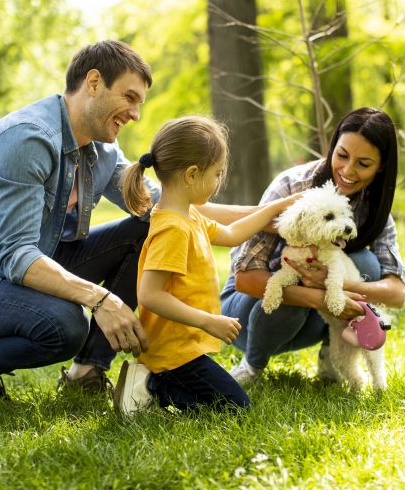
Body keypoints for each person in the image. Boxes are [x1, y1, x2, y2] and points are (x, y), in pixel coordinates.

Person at [0, 41, 250, 400]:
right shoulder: (28, 140)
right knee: (66, 325)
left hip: (30, 266)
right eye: (129, 98)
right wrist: (101, 299)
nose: (135, 114)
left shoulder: (102, 151)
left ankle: (87, 371)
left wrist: (274, 213)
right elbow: (16, 255)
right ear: (94, 82)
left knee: (144, 228)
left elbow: (171, 206)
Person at [112, 116, 299, 414]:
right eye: (217, 174)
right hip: (174, 353)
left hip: (186, 348)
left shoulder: (189, 216)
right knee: (236, 408)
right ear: (191, 175)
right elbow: (150, 295)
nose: (218, 182)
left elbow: (231, 233)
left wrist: (274, 208)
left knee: (230, 403)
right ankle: (150, 387)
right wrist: (207, 321)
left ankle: (157, 383)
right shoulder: (173, 229)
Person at [220, 107, 405, 384]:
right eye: (342, 155)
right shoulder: (291, 187)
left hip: (312, 320)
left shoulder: (374, 208)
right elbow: (245, 279)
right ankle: (250, 367)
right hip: (248, 315)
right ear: (332, 147)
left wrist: (339, 287)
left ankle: (333, 357)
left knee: (364, 262)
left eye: (363, 164)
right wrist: (321, 295)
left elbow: (396, 293)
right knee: (293, 280)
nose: (347, 170)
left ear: (381, 166)